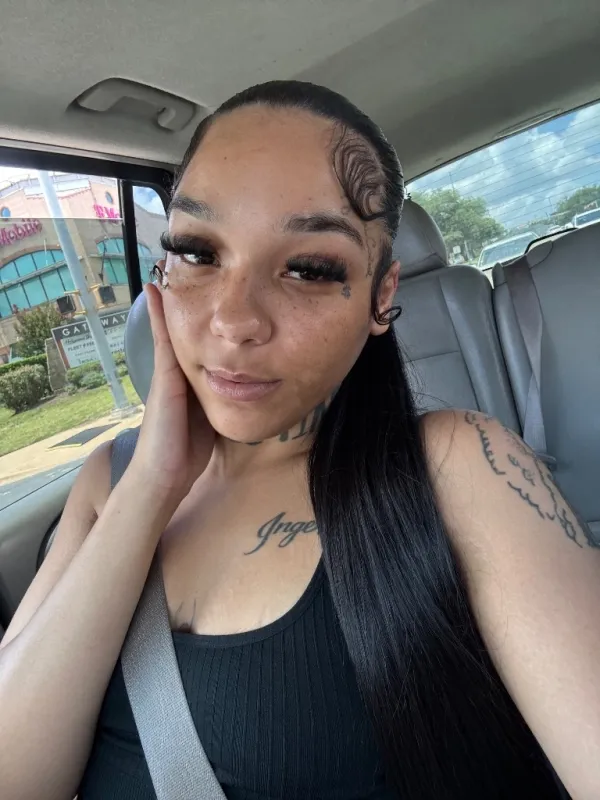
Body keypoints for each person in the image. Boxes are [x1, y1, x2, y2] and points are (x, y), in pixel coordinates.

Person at [0, 80, 598, 800]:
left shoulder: (457, 467)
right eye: (197, 252)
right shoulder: (108, 480)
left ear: (381, 297)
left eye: (309, 269)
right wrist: (152, 487)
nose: (234, 320)